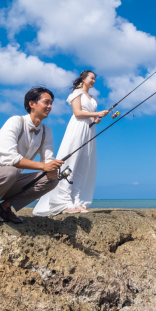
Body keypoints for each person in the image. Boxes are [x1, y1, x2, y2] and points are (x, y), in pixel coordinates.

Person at [0, 87, 64, 223]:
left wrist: (52, 170)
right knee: (10, 170)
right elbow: (8, 158)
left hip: (9, 182)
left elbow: (48, 160)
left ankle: (4, 207)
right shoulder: (16, 121)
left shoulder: (46, 131)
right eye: (46, 102)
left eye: (51, 104)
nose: (50, 107)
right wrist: (44, 166)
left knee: (51, 180)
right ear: (32, 104)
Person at [33, 70, 109, 216]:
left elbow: (88, 115)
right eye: (91, 78)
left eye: (95, 79)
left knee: (84, 164)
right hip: (77, 128)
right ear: (83, 78)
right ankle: (63, 201)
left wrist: (95, 119)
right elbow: (77, 113)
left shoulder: (91, 97)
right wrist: (97, 114)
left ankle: (77, 200)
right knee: (71, 162)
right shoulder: (77, 92)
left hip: (88, 130)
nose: (93, 81)